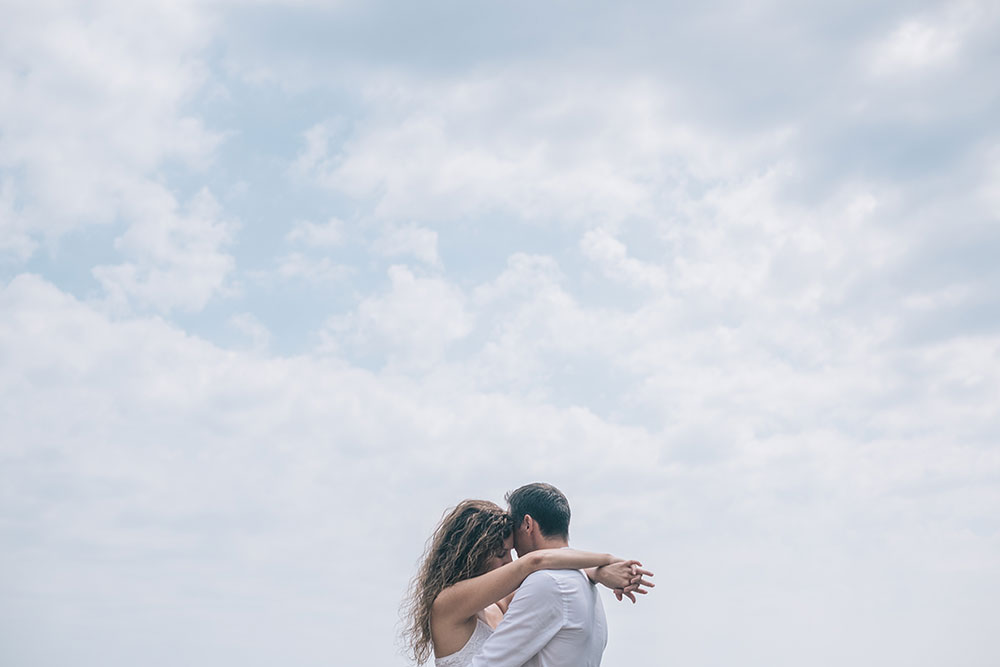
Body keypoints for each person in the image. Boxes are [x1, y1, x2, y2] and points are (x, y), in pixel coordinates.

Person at [402, 498, 650, 666]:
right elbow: (534, 563)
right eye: (500, 554)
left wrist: (596, 573)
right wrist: (607, 560)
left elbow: (545, 565)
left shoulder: (497, 602)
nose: (510, 561)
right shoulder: (447, 603)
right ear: (471, 555)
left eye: (511, 551)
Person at [471, 483, 652, 667]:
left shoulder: (547, 583)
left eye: (512, 527)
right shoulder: (584, 582)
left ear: (527, 524)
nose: (513, 544)